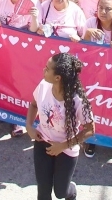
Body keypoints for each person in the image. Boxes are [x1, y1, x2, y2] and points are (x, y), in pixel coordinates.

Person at [26, 53, 95, 200]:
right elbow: (33, 105)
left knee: (61, 193)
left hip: (66, 149)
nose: (44, 70)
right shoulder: (43, 86)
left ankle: (71, 190)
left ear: (58, 78)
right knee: (43, 191)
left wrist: (62, 146)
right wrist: (29, 127)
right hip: (42, 142)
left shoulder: (78, 100)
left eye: (47, 68)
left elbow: (90, 130)